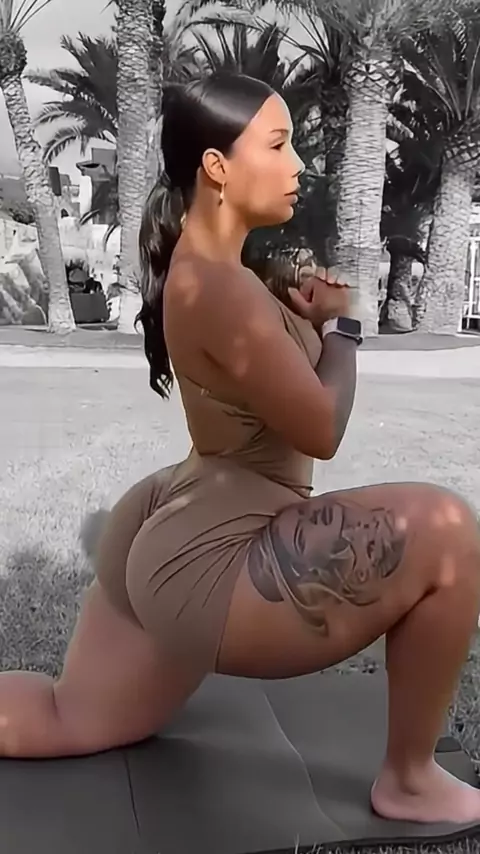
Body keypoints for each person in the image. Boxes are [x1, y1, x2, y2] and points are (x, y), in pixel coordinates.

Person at [0, 71, 479, 826]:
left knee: (71, 718)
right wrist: (344, 327)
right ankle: (410, 780)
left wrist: (301, 317)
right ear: (217, 167)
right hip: (212, 558)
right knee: (451, 536)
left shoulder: (214, 273)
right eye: (278, 146)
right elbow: (321, 428)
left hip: (175, 516)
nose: (298, 166)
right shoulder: (218, 287)